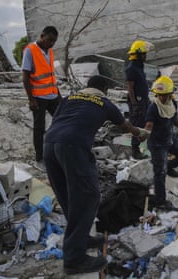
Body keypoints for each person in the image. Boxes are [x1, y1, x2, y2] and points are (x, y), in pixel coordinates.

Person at [43, 75, 148, 275]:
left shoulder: (69, 99)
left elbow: (57, 120)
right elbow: (125, 126)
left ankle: (80, 239)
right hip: (74, 145)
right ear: (105, 89)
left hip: (49, 143)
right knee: (88, 196)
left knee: (66, 194)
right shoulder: (104, 103)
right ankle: (74, 259)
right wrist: (139, 133)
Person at [144, 76, 178, 209]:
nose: (162, 98)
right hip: (157, 144)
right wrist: (144, 134)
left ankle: (169, 166)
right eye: (160, 95)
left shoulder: (172, 104)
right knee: (160, 173)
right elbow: (149, 124)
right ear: (156, 94)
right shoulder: (153, 108)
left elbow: (173, 117)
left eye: (165, 95)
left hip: (169, 139)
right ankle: (160, 201)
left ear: (170, 94)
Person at [22, 26, 61, 165]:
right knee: (39, 127)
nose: (51, 43)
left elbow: (50, 74)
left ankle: (60, 149)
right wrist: (31, 99)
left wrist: (57, 92)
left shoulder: (49, 51)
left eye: (54, 41)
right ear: (42, 35)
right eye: (49, 40)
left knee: (62, 119)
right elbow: (25, 77)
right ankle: (40, 157)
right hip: (38, 96)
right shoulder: (30, 50)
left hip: (53, 94)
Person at [125, 40, 154, 159]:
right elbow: (130, 88)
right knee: (137, 123)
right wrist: (134, 104)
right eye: (143, 54)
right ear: (137, 54)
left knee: (146, 122)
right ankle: (135, 150)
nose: (145, 56)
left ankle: (149, 147)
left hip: (144, 100)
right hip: (137, 101)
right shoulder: (131, 68)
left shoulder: (139, 66)